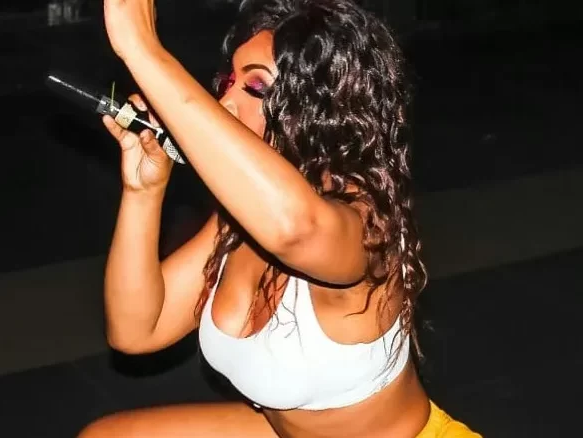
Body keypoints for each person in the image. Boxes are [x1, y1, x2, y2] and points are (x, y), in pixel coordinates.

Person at [79, 0, 481, 437]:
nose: (225, 102)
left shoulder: (365, 222)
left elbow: (295, 230)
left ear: (320, 108)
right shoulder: (238, 221)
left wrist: (143, 50)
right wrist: (143, 191)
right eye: (229, 82)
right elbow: (137, 330)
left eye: (255, 88)